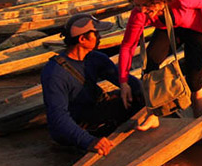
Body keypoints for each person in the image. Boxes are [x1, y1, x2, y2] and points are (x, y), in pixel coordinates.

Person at [41, 14, 154, 156]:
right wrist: (89, 141)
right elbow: (58, 117)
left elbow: (129, 82)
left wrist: (149, 102)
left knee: (134, 98)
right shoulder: (54, 73)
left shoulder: (95, 58)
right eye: (96, 34)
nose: (100, 37)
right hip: (75, 123)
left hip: (92, 110)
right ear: (82, 39)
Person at [118, 0, 202, 118]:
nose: (142, 10)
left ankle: (198, 116)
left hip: (197, 29)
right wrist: (123, 82)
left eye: (147, 5)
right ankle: (153, 115)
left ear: (160, 0)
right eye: (137, 5)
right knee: (149, 69)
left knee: (193, 80)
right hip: (168, 27)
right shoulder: (139, 13)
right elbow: (127, 47)